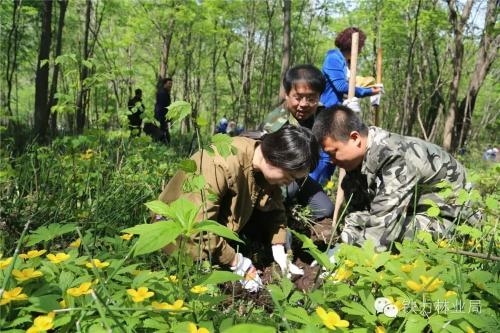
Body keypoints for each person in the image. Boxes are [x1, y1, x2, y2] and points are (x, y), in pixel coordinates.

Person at [156, 125, 319, 292]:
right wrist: (237, 262)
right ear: (277, 157)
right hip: (177, 236)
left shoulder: (261, 161)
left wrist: (279, 246)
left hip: (219, 230)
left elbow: (274, 206)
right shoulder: (221, 163)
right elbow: (199, 228)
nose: (290, 183)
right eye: (290, 176)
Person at [312, 105, 479, 253]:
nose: (332, 161)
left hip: (455, 224)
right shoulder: (356, 164)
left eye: (333, 153)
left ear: (355, 138)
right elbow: (357, 215)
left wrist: (347, 261)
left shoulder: (394, 156)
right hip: (417, 212)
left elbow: (383, 228)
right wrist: (344, 244)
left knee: (394, 234)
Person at [260, 65, 334, 240]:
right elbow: (268, 171)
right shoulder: (276, 123)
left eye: (311, 98)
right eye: (298, 97)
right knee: (288, 191)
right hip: (277, 178)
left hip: (300, 177)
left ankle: (295, 212)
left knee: (324, 209)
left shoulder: (321, 114)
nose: (303, 105)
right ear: (287, 94)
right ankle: (283, 217)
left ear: (319, 97)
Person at [320, 27, 382, 112]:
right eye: (361, 46)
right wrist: (369, 91)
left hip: (343, 110)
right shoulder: (333, 58)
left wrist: (373, 88)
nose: (361, 50)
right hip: (330, 110)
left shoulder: (348, 62)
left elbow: (354, 83)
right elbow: (341, 86)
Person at [154, 77, 173, 143]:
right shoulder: (163, 93)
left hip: (162, 117)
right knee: (163, 133)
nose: (170, 85)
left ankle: (162, 145)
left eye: (171, 84)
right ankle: (164, 146)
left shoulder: (164, 92)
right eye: (169, 83)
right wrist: (165, 118)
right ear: (165, 84)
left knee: (163, 133)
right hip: (161, 117)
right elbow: (161, 107)